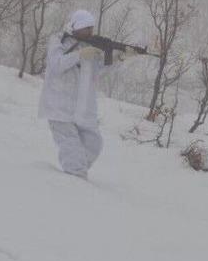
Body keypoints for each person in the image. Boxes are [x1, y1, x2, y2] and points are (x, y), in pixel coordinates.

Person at [38, 10, 137, 179]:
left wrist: (120, 58)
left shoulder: (89, 46)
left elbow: (98, 72)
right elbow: (56, 65)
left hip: (82, 109)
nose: (90, 32)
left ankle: (76, 171)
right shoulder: (59, 40)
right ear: (76, 27)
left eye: (91, 28)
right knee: (71, 148)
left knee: (94, 144)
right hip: (59, 107)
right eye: (86, 28)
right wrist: (79, 54)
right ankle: (73, 180)